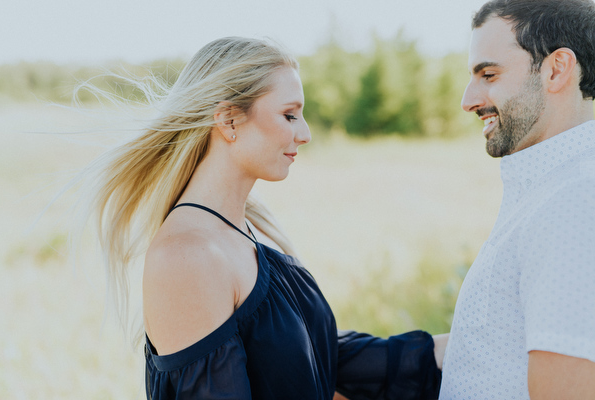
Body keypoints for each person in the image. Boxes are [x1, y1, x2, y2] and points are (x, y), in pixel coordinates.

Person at [82, 37, 445, 399]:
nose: (304, 134)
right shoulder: (187, 256)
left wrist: (450, 348)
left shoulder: (252, 229)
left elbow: (314, 359)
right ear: (228, 120)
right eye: (289, 115)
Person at [439, 1, 595, 399]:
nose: (468, 100)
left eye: (488, 74)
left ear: (556, 70)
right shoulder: (551, 190)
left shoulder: (574, 200)